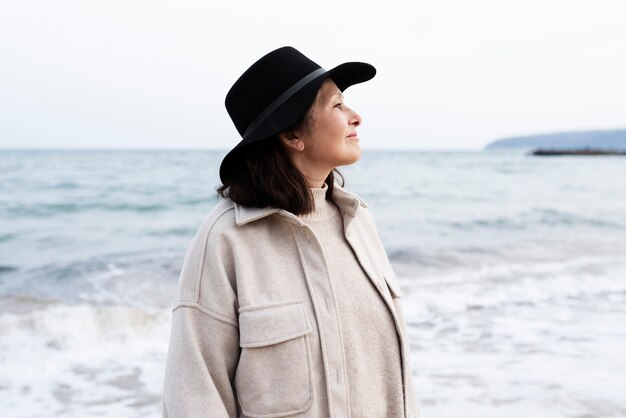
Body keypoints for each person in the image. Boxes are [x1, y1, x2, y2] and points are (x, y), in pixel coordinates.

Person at [162, 46, 419, 418]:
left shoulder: (358, 221)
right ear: (292, 135)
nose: (355, 116)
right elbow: (194, 393)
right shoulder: (226, 240)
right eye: (337, 105)